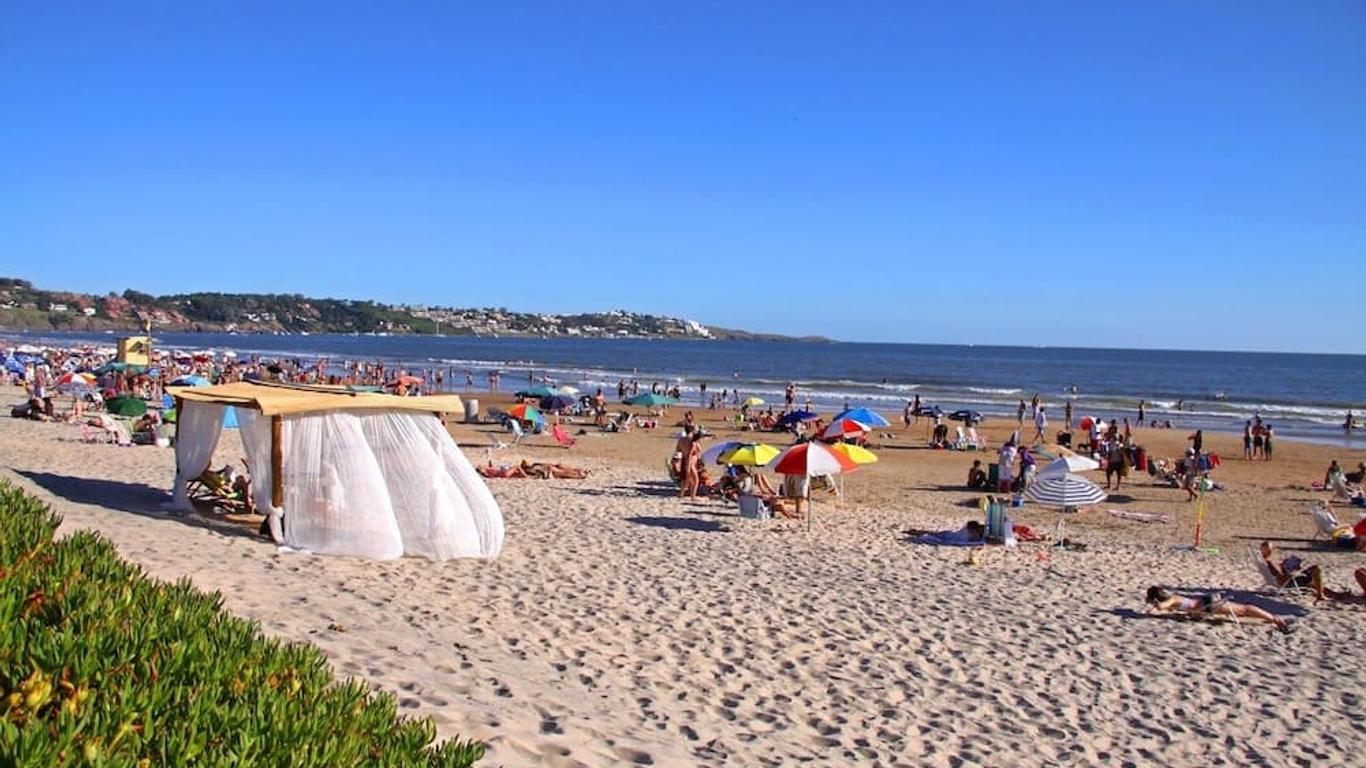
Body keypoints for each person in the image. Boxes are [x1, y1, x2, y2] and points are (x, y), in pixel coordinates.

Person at [1144, 587, 1294, 633]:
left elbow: (1161, 607)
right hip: (1207, 603)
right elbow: (1161, 608)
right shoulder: (1175, 598)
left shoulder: (1173, 600)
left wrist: (1153, 604)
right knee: (1245, 609)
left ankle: (1276, 620)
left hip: (1208, 604)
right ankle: (1275, 619)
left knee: (1245, 609)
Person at [1258, 541, 1328, 601]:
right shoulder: (1270, 563)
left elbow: (1278, 574)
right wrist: (1296, 572)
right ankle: (1320, 595)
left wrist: (1283, 566)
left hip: (1288, 579)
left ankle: (1329, 594)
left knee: (1315, 582)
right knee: (1316, 570)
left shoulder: (1265, 561)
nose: (1272, 551)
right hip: (1290, 581)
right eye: (1270, 549)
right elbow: (1282, 578)